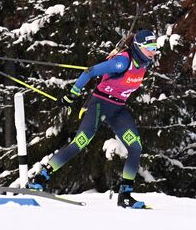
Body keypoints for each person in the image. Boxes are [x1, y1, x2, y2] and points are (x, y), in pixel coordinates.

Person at [27, 28, 159, 208]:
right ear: (138, 46)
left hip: (118, 110)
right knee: (79, 143)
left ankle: (125, 196)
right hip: (99, 105)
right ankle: (40, 178)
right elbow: (89, 72)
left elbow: (131, 45)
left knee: (135, 147)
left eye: (155, 47)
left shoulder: (145, 62)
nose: (153, 52)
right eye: (150, 47)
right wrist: (71, 95)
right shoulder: (121, 63)